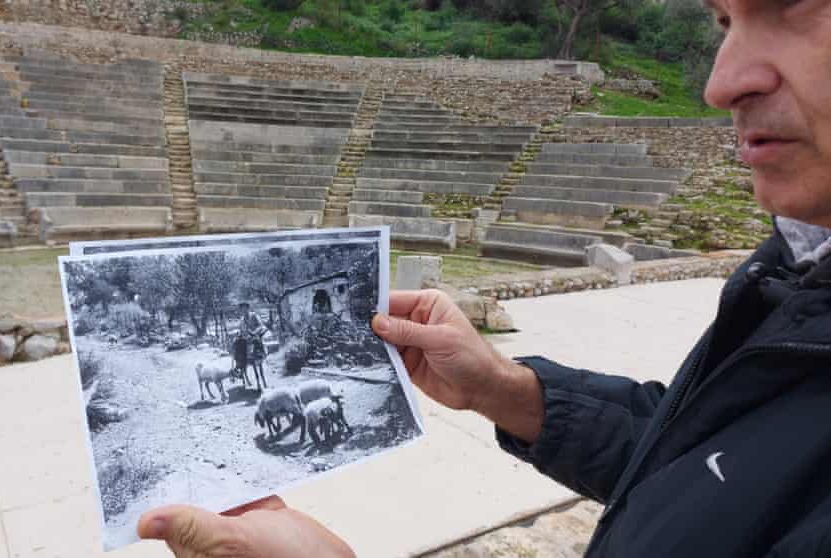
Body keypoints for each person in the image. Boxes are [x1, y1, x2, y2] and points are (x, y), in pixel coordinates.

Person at [137, 0, 831, 555]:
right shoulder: (794, 268)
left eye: (796, 7)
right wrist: (505, 389)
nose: (719, 83)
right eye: (722, 21)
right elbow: (702, 457)